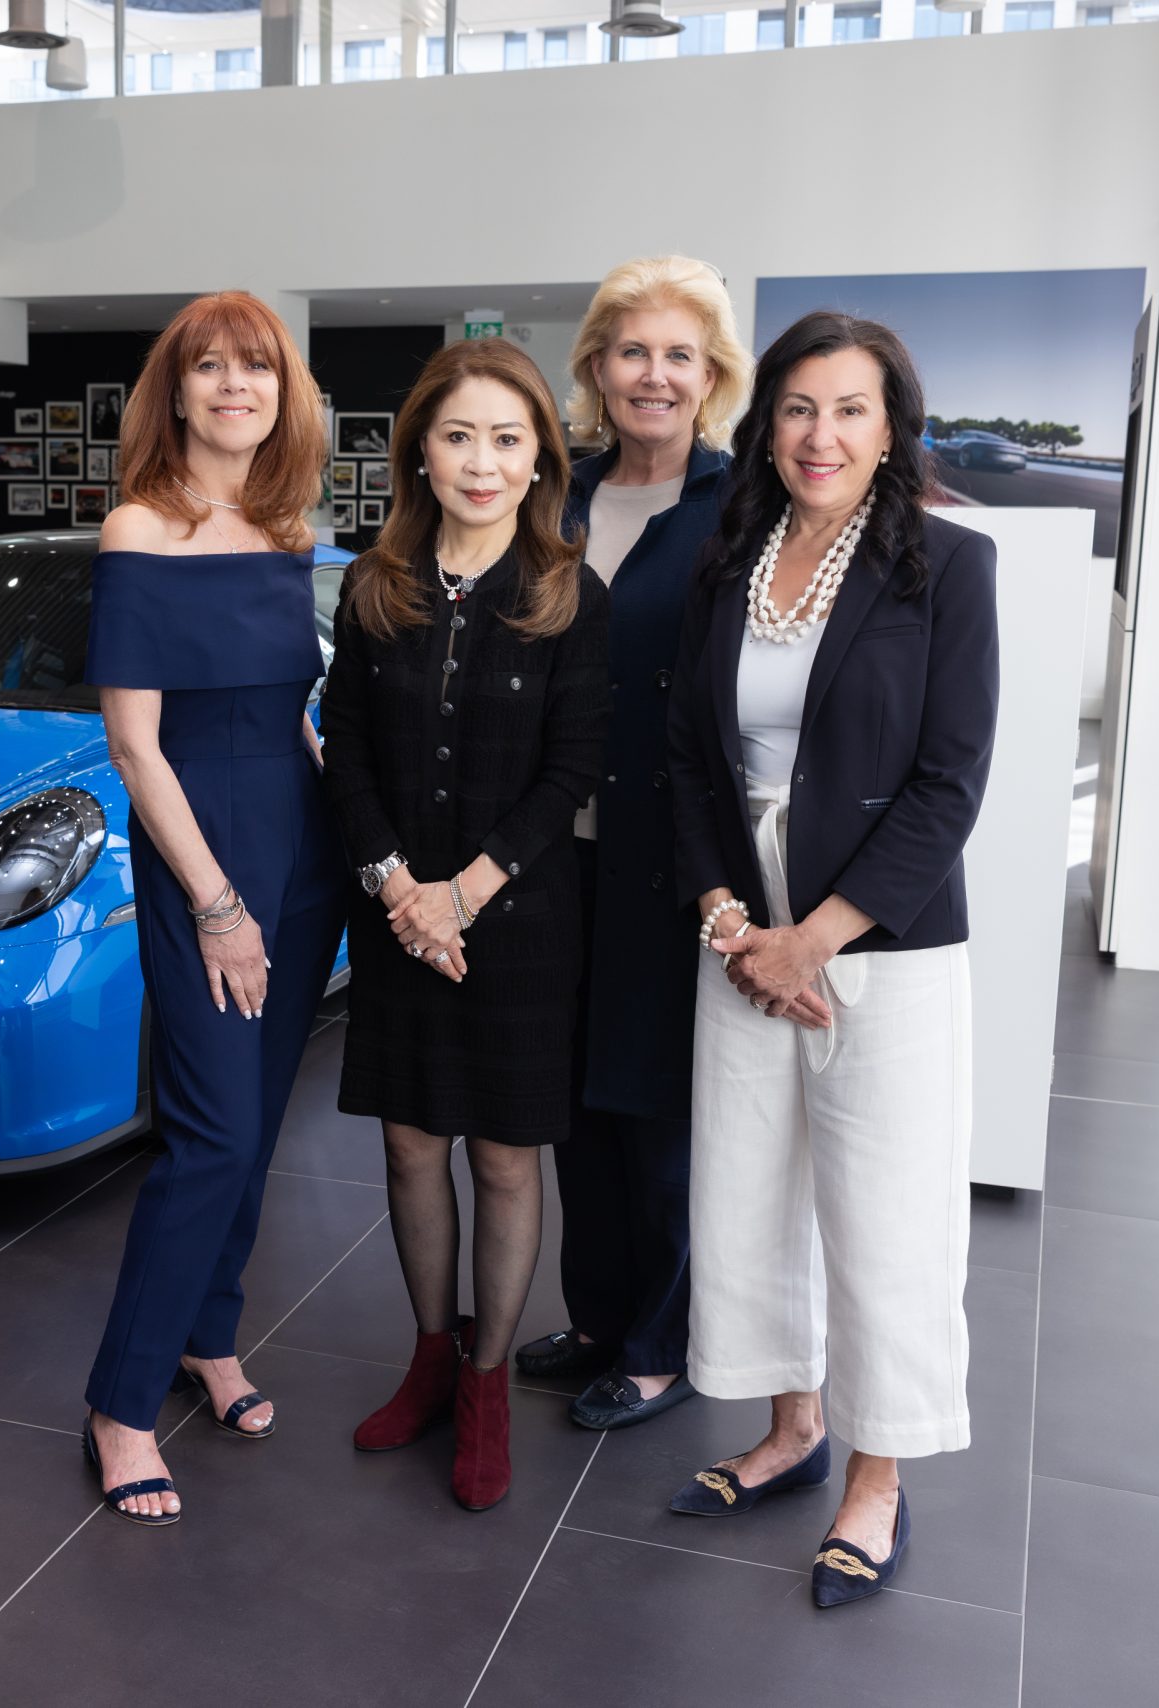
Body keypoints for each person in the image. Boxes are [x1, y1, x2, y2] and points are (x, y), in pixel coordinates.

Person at [664, 311, 998, 1607]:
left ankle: (877, 1473)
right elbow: (691, 759)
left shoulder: (949, 566)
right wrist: (727, 918)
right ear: (768, 427)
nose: (822, 435)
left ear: (891, 428)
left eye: (852, 409)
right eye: (800, 407)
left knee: (886, 1215)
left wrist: (809, 939)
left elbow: (949, 781)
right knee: (748, 1191)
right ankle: (792, 1427)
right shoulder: (728, 562)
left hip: (878, 941)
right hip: (738, 932)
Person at [318, 338, 610, 1512]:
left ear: (539, 458)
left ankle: (486, 1384)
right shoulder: (373, 585)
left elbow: (572, 769)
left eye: (505, 438)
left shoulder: (568, 594)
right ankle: (431, 1356)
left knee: (501, 1155)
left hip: (520, 922)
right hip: (397, 918)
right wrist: (399, 888)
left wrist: (462, 893)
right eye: (457, 437)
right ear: (420, 455)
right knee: (408, 1143)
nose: (481, 462)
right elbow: (345, 752)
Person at [80, 292, 349, 1526]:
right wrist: (217, 902)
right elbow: (135, 748)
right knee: (213, 1134)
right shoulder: (139, 527)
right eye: (210, 367)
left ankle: (210, 1336)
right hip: (206, 852)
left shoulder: (284, 529)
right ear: (175, 392)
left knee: (259, 1119)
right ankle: (121, 1402)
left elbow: (289, 713)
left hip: (300, 839)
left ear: (283, 394)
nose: (236, 385)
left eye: (257, 367)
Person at [516, 256, 752, 1435]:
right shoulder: (556, 496)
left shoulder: (742, 502)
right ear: (597, 368)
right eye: (631, 352)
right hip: (556, 851)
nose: (653, 375)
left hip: (674, 852)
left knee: (657, 1109)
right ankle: (600, 1315)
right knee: (575, 1100)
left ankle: (662, 1343)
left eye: (678, 355)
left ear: (711, 377)